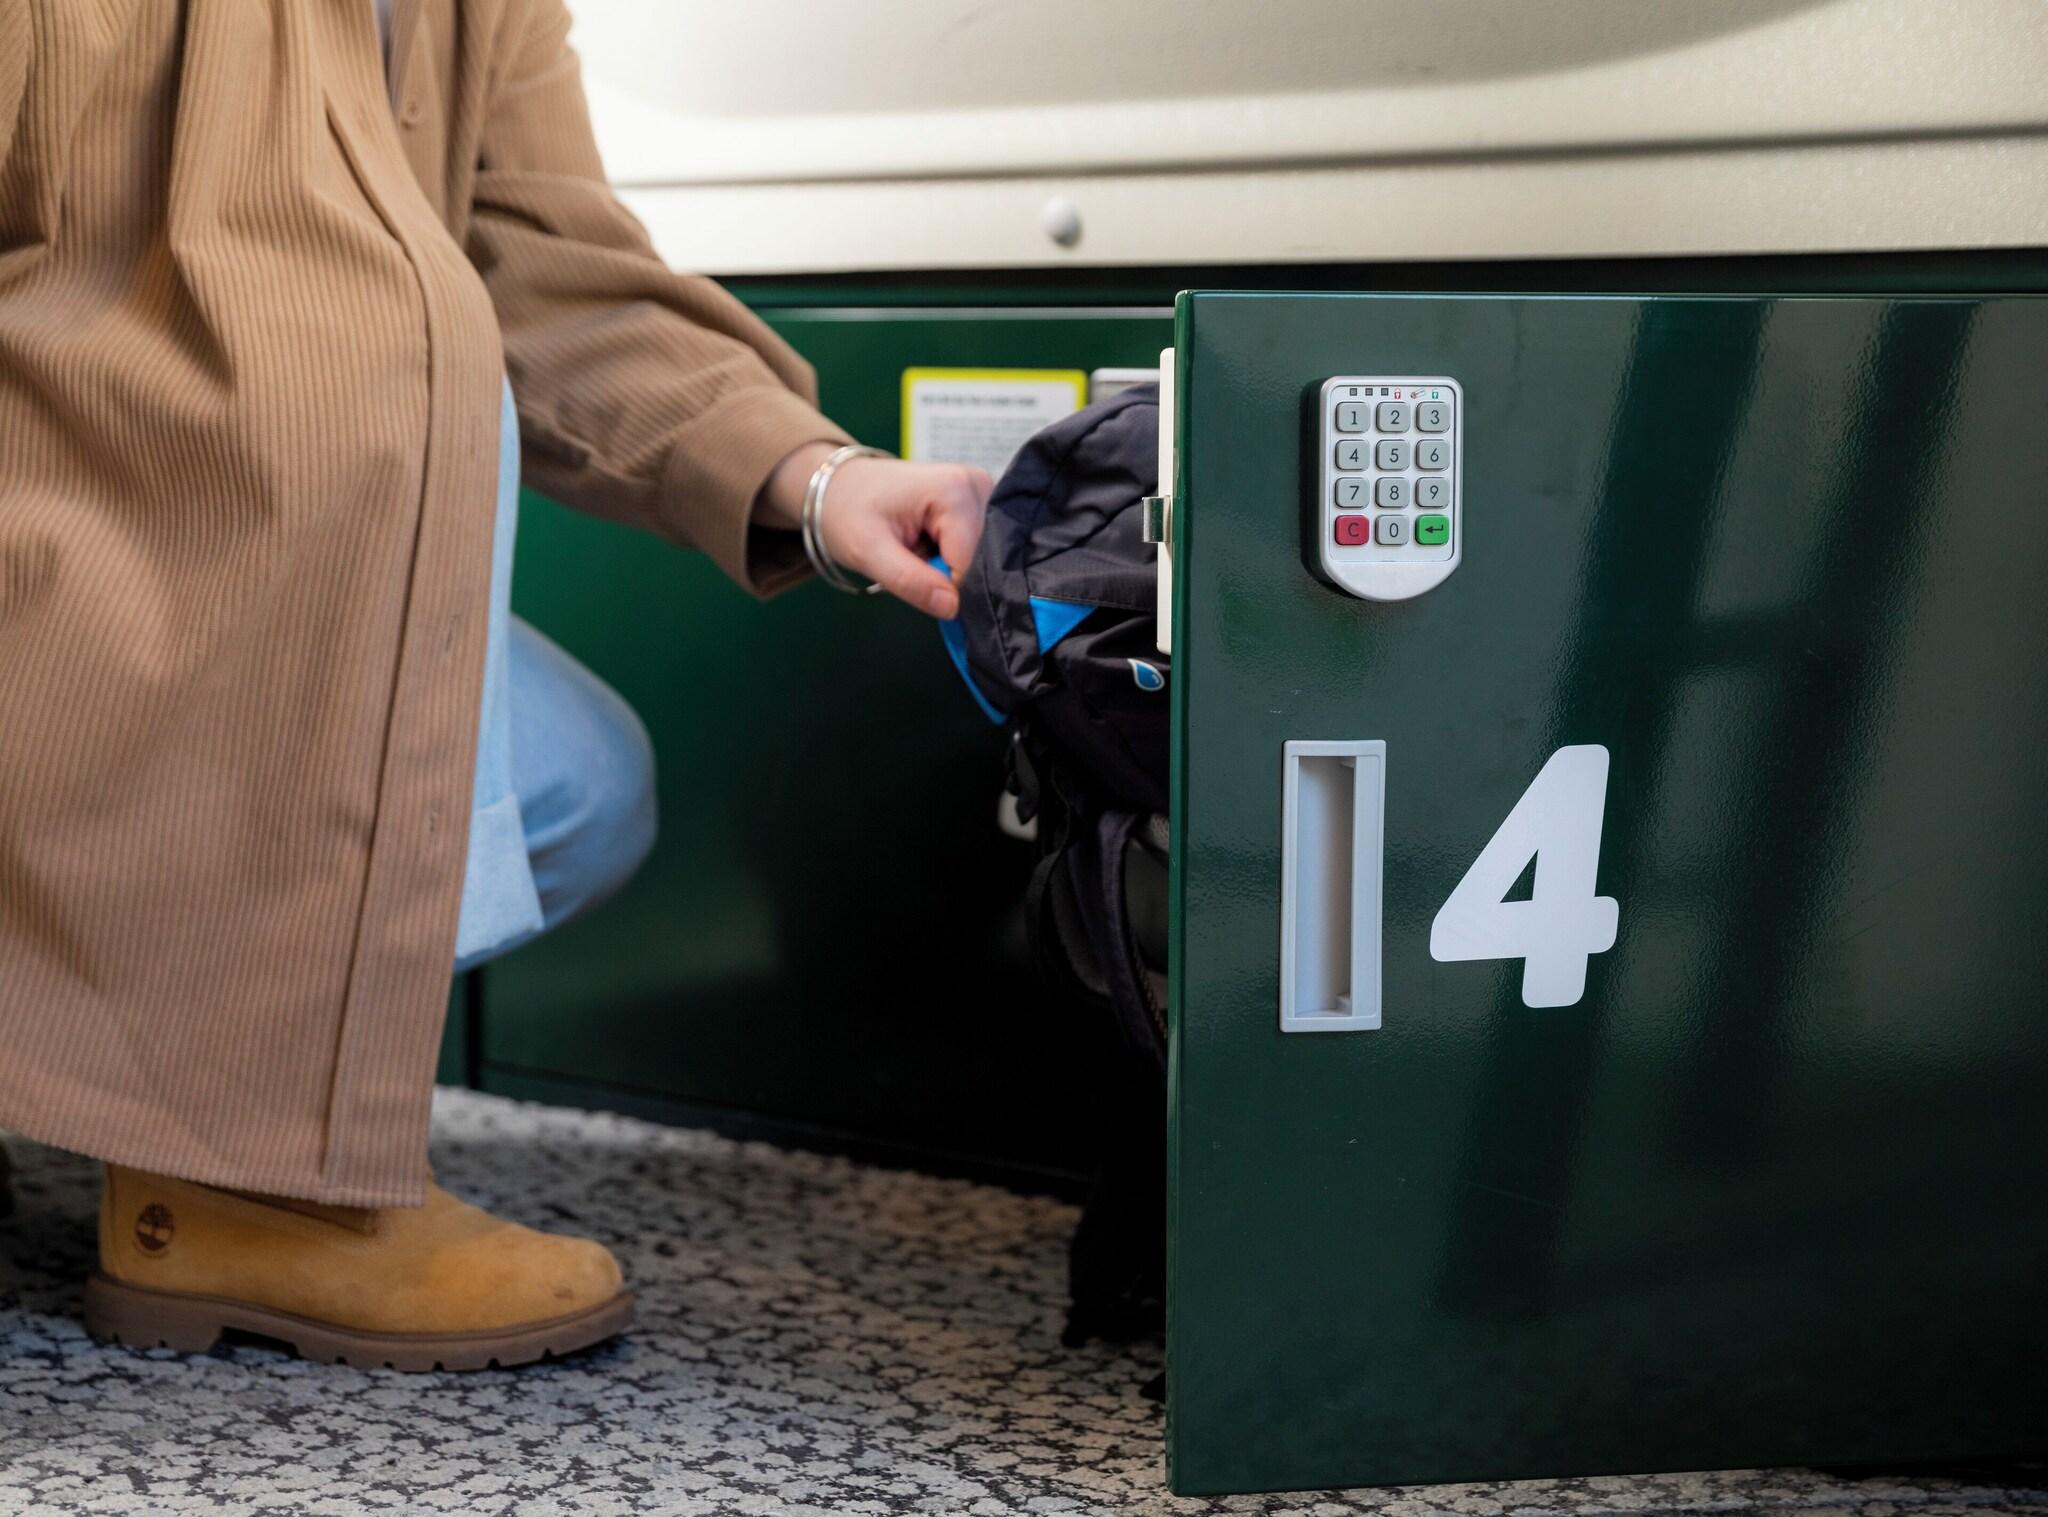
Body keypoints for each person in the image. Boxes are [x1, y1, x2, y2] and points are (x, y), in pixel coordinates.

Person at [0, 0, 990, 1371]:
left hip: (273, 590)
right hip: (63, 542)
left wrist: (823, 482)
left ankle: (210, 1143)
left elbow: (548, 269)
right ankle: (224, 1162)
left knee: (577, 784)